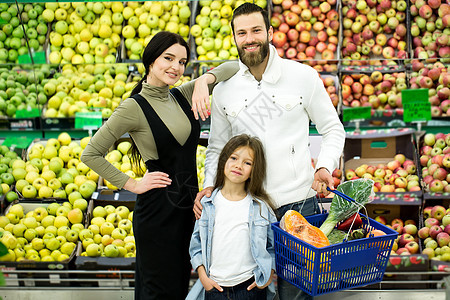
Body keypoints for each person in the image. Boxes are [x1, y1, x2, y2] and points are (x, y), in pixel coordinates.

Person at [192, 3, 346, 300]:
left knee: (296, 294)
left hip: (297, 206)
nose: (249, 38)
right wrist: (210, 185)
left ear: (270, 33)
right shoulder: (226, 89)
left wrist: (324, 167)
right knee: (248, 293)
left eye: (256, 31)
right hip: (245, 210)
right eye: (242, 33)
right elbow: (217, 148)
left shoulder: (302, 76)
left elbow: (332, 128)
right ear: (234, 38)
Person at [81, 31, 238, 300]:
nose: (176, 68)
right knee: (159, 291)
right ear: (151, 60)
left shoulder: (179, 96)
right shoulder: (133, 107)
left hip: (187, 211)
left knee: (177, 287)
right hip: (158, 216)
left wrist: (204, 80)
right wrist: (132, 184)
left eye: (182, 62)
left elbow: (234, 66)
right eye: (168, 58)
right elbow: (91, 153)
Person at [187, 134, 277, 300]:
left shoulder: (261, 208)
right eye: (234, 158)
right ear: (223, 162)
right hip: (215, 288)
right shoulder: (207, 204)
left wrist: (268, 274)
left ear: (253, 171)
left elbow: (273, 247)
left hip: (250, 288)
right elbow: (196, 245)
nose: (239, 165)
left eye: (247, 163)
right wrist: (203, 276)